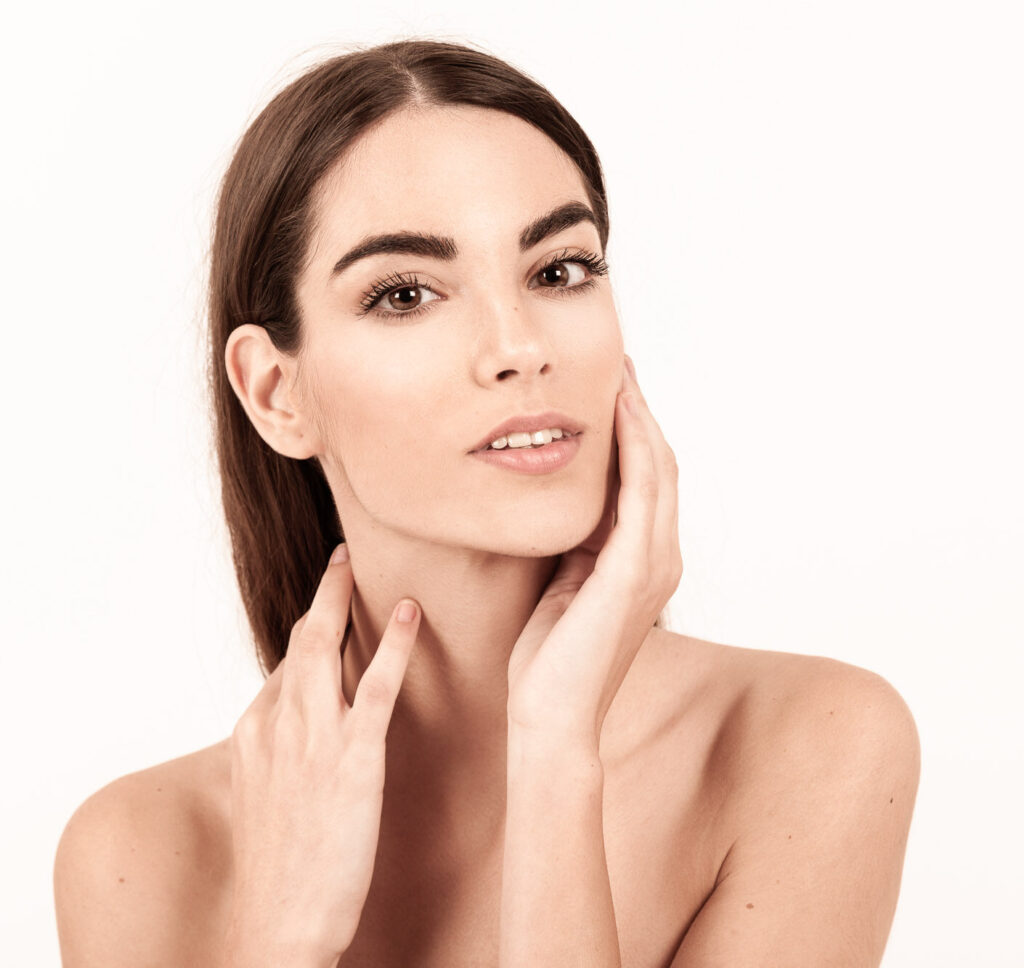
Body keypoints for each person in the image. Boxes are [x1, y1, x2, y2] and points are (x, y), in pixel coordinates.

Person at [53, 38, 920, 968]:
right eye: (405, 294)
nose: (519, 347)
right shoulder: (138, 855)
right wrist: (277, 940)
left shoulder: (812, 745)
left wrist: (554, 753)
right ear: (275, 393)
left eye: (559, 271)